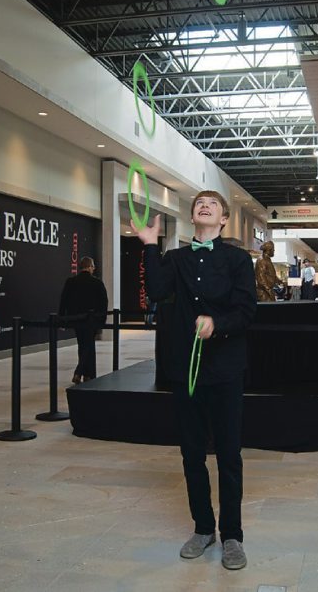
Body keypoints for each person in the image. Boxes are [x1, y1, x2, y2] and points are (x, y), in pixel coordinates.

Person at [131, 191, 257, 571]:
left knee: (229, 455)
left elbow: (247, 311)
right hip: (187, 369)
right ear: (193, 217)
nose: (204, 205)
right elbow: (155, 292)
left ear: (223, 220)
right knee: (191, 454)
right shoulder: (177, 258)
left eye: (212, 204)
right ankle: (204, 528)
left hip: (226, 369)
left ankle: (232, 535)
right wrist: (151, 246)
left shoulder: (237, 259)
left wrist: (217, 325)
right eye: (199, 203)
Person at [58, 256, 108, 384]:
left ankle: (88, 375)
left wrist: (62, 319)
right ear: (90, 267)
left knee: (83, 345)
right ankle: (80, 372)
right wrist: (101, 321)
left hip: (76, 319)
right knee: (89, 346)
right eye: (93, 266)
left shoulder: (71, 281)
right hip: (92, 320)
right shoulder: (97, 283)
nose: (94, 269)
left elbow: (63, 301)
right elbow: (104, 303)